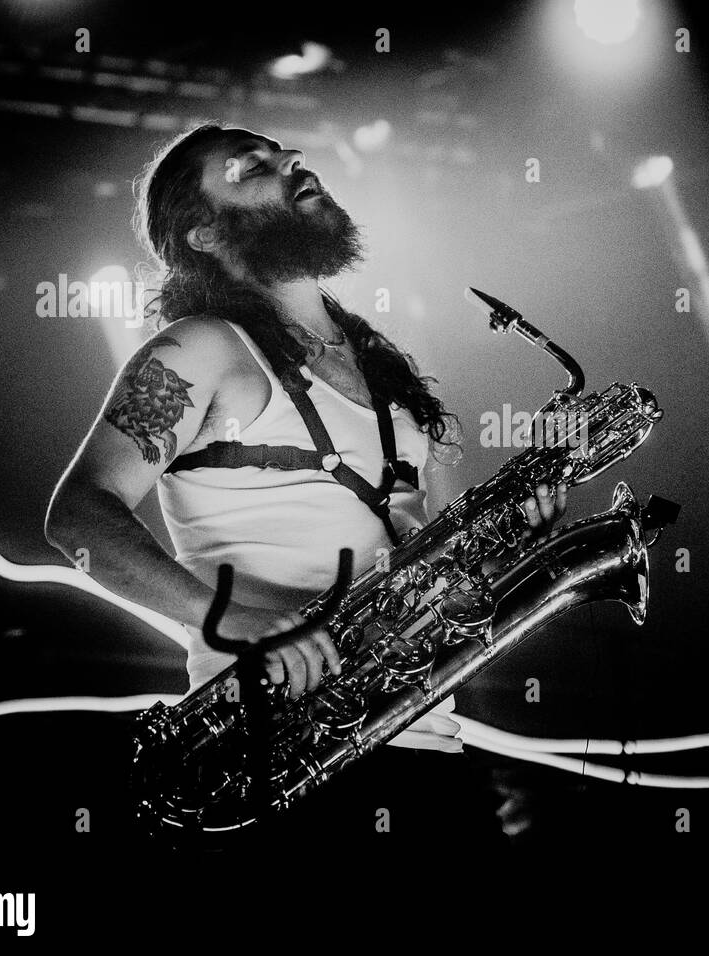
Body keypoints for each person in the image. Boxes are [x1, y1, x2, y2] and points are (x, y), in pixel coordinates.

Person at [44, 123, 567, 852]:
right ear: (202, 233)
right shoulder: (201, 349)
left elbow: (417, 562)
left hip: (425, 746)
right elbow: (78, 518)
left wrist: (510, 539)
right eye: (250, 167)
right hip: (279, 756)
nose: (290, 161)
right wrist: (238, 624)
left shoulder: (381, 366)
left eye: (283, 151)